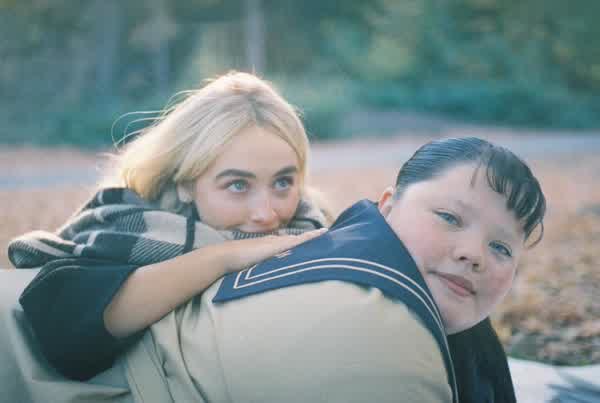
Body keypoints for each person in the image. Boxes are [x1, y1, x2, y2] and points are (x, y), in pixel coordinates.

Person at [6, 71, 330, 387]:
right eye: (238, 185)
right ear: (186, 183)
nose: (266, 213)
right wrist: (222, 258)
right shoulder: (127, 230)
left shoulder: (315, 228)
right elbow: (64, 327)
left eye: (283, 182)